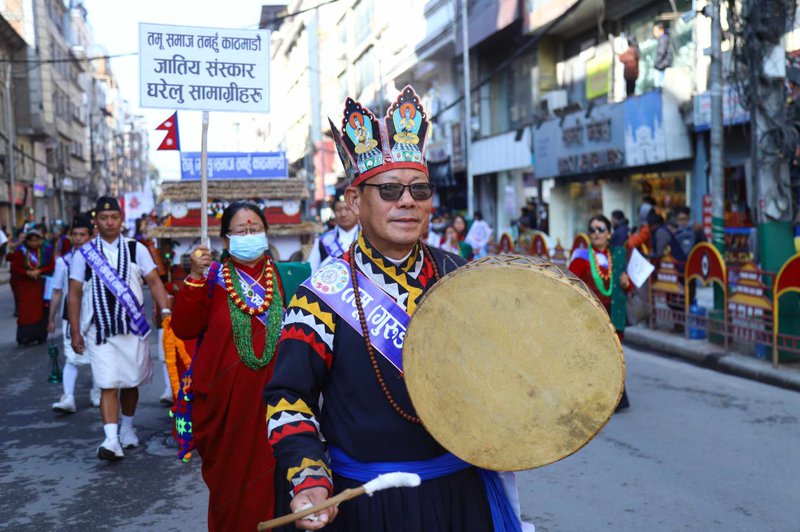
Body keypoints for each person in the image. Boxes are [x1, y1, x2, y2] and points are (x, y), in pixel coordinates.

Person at [265, 86, 519, 531]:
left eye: (419, 189)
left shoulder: (460, 276)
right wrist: (307, 475)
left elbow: (497, 372)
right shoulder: (320, 294)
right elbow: (289, 397)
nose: (407, 201)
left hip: (459, 495)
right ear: (353, 201)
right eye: (388, 190)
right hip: (368, 504)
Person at [171, 201, 288, 531]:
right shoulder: (211, 278)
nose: (249, 235)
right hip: (226, 406)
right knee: (232, 487)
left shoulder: (281, 276)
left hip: (274, 401)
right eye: (241, 231)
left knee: (276, 483)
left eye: (255, 230)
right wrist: (194, 277)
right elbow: (184, 328)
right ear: (225, 240)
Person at [67, 197, 169, 461]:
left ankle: (127, 428)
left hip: (132, 328)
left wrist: (166, 311)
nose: (109, 222)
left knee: (131, 381)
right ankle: (110, 439)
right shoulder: (84, 254)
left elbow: (155, 282)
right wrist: (75, 330)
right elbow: (74, 294)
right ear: (96, 222)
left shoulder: (137, 249)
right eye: (104, 218)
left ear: (122, 219)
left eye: (114, 217)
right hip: (99, 331)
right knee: (108, 383)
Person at [569, 215, 632, 411]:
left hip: (613, 313)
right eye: (593, 229)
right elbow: (570, 284)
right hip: (589, 315)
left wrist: (626, 283)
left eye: (601, 229)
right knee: (592, 356)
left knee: (614, 356)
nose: (596, 233)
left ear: (609, 234)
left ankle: (616, 398)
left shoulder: (618, 256)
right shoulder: (580, 257)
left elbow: (625, 288)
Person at [49, 214, 101, 413]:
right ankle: (68, 397)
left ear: (91, 236)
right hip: (71, 315)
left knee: (98, 355)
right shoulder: (64, 262)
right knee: (71, 357)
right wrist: (51, 319)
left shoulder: (101, 260)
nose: (79, 238)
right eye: (75, 234)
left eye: (83, 234)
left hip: (96, 315)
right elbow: (56, 291)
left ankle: (97, 393)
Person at [11, 228, 55, 345]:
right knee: (26, 311)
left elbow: (51, 265)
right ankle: (25, 337)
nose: (34, 243)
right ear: (27, 241)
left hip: (42, 284)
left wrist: (40, 271)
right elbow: (15, 268)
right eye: (31, 241)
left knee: (41, 309)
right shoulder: (21, 251)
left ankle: (40, 335)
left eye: (37, 240)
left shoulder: (46, 250)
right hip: (26, 285)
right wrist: (28, 272)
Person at [308, 198, 359, 273]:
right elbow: (311, 271)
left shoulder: (368, 237)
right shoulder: (322, 241)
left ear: (356, 210)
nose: (343, 214)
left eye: (347, 209)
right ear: (334, 212)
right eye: (338, 210)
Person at [653, 22, 672, 88]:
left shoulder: (663, 39)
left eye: (655, 31)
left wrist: (656, 64)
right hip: (663, 64)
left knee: (659, 87)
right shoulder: (664, 38)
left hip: (661, 65)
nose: (654, 33)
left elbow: (661, 52)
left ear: (661, 30)